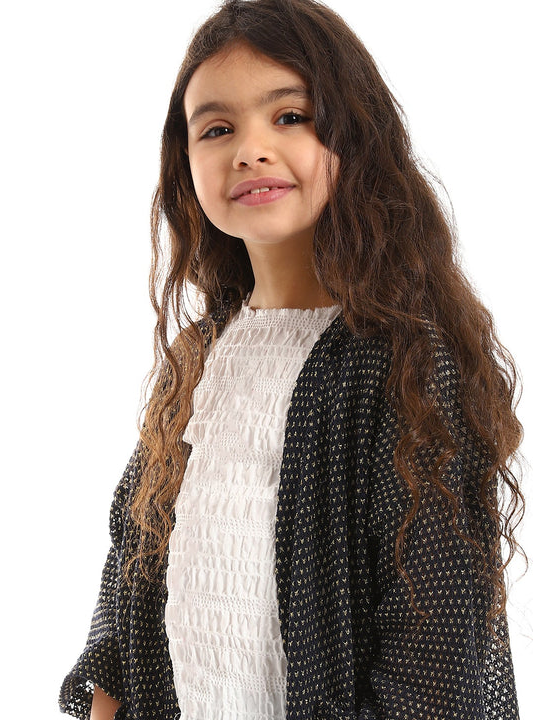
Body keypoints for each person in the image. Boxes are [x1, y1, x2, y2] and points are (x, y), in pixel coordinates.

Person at [59, 0, 524, 718]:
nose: (250, 149)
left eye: (290, 116)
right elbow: (133, 569)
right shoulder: (199, 357)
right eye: (218, 129)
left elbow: (431, 658)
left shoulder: (403, 366)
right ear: (186, 163)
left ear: (354, 136)